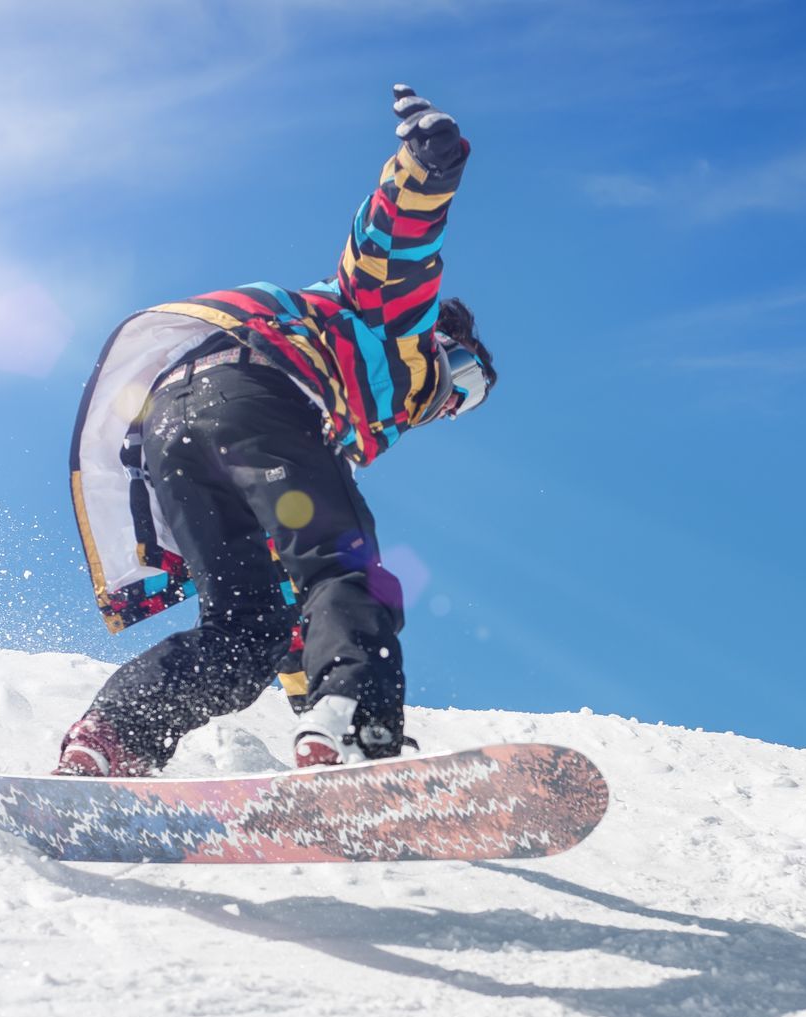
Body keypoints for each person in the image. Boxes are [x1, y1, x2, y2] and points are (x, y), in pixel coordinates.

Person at [53, 84, 496, 777]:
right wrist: (429, 167)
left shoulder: (337, 427)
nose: (446, 406)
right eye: (464, 383)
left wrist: (307, 711)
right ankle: (358, 727)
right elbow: (398, 245)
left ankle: (115, 736)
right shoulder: (391, 328)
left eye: (463, 404)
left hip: (172, 430)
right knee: (346, 565)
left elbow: (299, 598)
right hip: (256, 395)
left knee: (247, 628)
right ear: (444, 344)